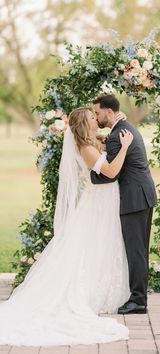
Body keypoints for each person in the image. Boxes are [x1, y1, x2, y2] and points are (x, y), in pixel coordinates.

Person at [0, 107, 133, 346]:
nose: (96, 119)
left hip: (104, 202)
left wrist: (116, 124)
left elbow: (106, 139)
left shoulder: (92, 142)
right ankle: (88, 292)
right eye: (93, 117)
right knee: (90, 247)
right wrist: (124, 147)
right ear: (85, 123)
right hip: (98, 204)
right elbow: (111, 171)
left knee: (100, 246)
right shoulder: (86, 149)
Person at [91, 95, 157, 315]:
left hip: (134, 199)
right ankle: (139, 297)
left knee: (136, 251)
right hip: (142, 195)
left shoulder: (117, 136)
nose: (96, 117)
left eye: (98, 113)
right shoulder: (123, 129)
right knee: (139, 250)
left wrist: (92, 176)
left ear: (110, 112)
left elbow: (111, 174)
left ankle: (138, 301)